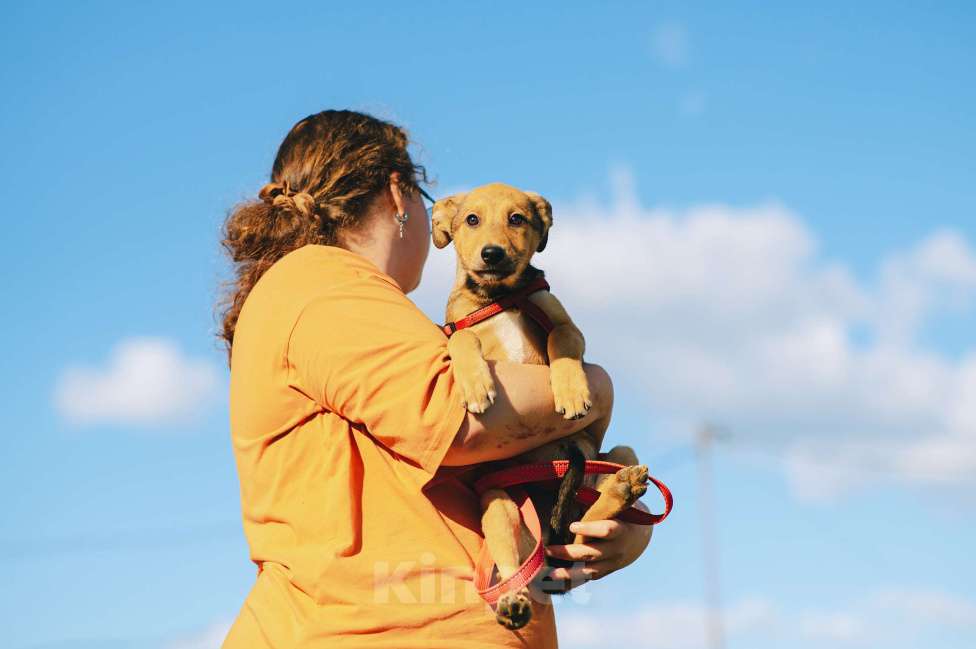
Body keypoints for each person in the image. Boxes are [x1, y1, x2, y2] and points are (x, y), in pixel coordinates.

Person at [218, 110, 653, 649]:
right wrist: (599, 386)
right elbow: (456, 417)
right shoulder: (324, 283)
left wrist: (622, 528)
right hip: (369, 631)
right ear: (400, 195)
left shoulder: (353, 305)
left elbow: (493, 469)